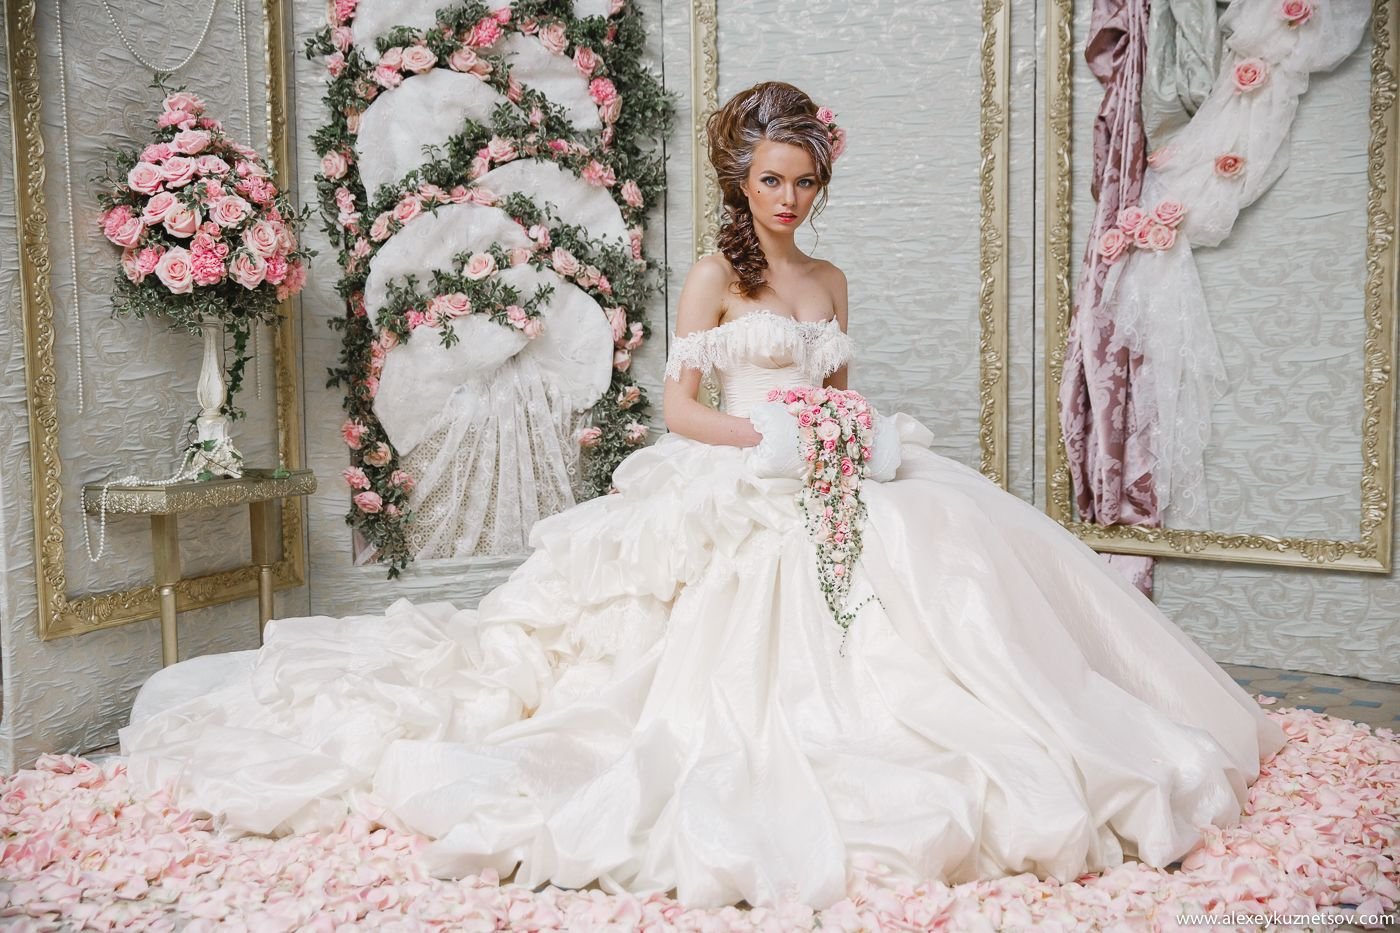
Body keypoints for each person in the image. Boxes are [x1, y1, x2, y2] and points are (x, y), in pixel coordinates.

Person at [121, 81, 1286, 911]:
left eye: (805, 181)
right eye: (772, 179)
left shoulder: (828, 278)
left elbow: (841, 391)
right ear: (742, 175)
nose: (788, 198)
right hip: (733, 469)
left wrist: (841, 432)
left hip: (826, 465)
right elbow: (677, 410)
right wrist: (770, 435)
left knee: (947, 554)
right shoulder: (714, 275)